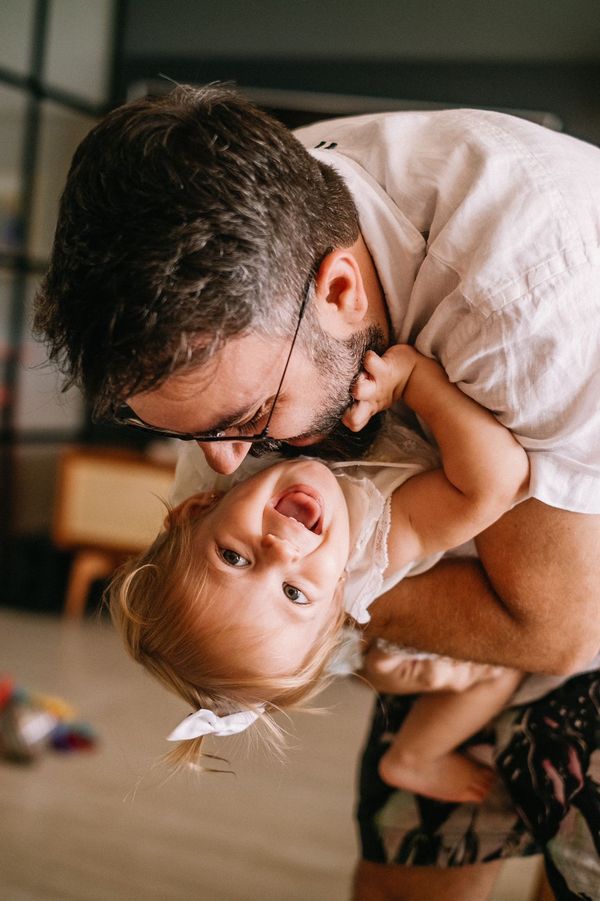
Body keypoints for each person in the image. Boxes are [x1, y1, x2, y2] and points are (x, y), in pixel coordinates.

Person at [33, 84, 600, 898]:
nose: (226, 467)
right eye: (188, 432)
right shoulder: (240, 240)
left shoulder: (524, 291)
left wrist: (334, 612)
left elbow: (559, 629)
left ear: (340, 292)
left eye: (249, 415)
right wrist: (347, 638)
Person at [110, 342, 527, 804]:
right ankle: (417, 754)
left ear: (196, 508)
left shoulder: (223, 462)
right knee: (496, 672)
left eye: (233, 558)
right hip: (387, 633)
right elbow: (499, 480)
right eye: (292, 592)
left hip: (350, 647)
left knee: (390, 667)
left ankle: (395, 672)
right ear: (338, 601)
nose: (279, 550)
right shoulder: (375, 539)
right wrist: (415, 383)